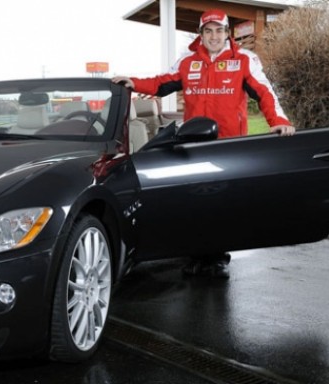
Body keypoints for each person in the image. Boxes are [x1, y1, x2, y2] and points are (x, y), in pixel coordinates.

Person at [113, 9, 295, 278]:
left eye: (219, 30)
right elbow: (162, 82)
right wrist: (133, 81)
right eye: (208, 31)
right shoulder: (187, 61)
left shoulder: (244, 59)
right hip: (193, 146)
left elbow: (265, 92)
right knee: (195, 202)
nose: (214, 36)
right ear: (201, 34)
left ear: (227, 33)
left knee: (222, 204)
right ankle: (197, 255)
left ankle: (218, 257)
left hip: (227, 145)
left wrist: (278, 120)